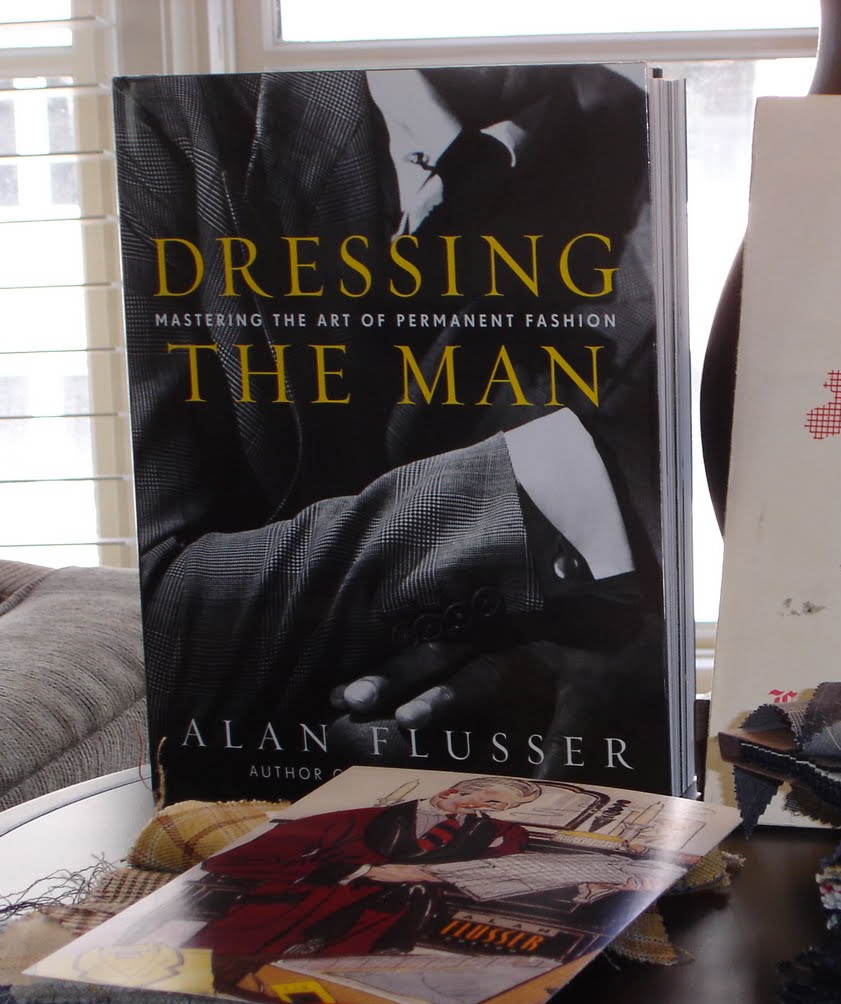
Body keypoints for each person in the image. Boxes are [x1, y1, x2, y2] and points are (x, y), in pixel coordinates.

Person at [116, 65, 670, 799]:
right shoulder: (177, 118)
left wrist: (581, 656)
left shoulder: (648, 140)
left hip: (518, 780)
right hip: (233, 790)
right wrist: (545, 492)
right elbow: (158, 620)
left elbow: (655, 591)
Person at [189, 776, 541, 958]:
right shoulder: (354, 818)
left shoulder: (497, 830)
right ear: (451, 791)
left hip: (382, 935)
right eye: (492, 801)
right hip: (295, 917)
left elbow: (510, 857)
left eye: (505, 807)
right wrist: (363, 871)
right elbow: (228, 860)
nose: (497, 810)